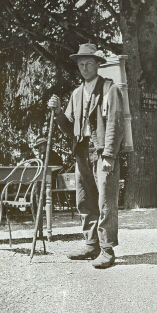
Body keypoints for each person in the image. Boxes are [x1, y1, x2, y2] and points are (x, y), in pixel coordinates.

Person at [48, 44, 124, 269]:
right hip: (82, 152)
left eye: (89, 63)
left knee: (105, 201)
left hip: (102, 153)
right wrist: (59, 112)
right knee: (84, 199)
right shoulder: (77, 93)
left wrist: (109, 154)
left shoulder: (110, 89)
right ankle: (91, 244)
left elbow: (115, 123)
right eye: (80, 64)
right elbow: (69, 127)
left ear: (98, 64)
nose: (84, 67)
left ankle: (107, 249)